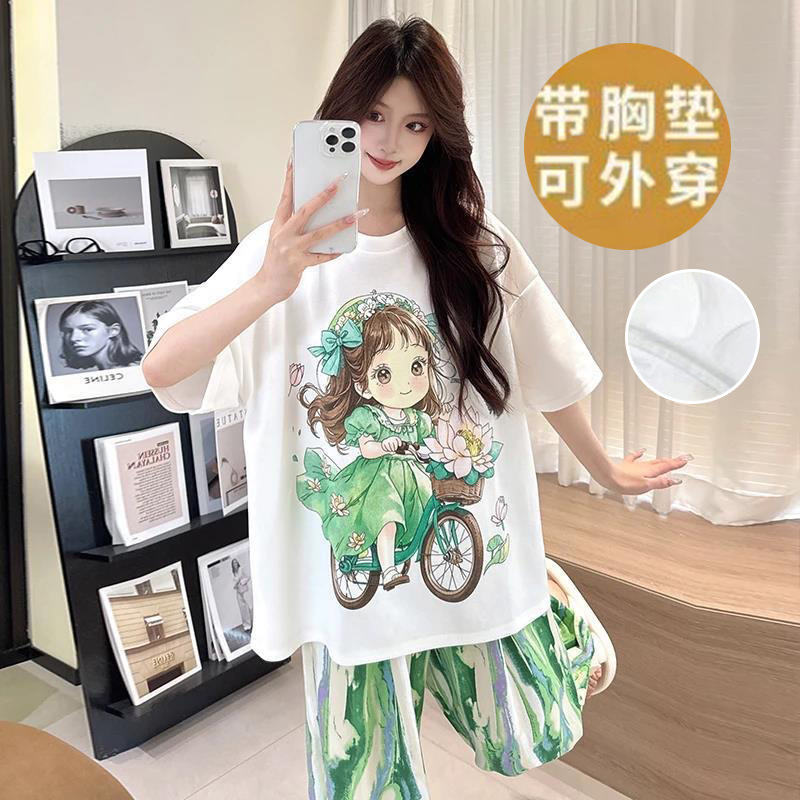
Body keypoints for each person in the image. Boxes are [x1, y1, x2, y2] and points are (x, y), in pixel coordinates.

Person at [141, 15, 690, 797]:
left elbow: (548, 370)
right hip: (343, 593)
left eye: (415, 123)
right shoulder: (282, 252)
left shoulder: (473, 244)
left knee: (530, 734)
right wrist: (269, 284)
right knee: (365, 783)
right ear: (341, 112)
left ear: (440, 134)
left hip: (470, 544)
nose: (388, 141)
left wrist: (605, 470)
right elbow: (164, 370)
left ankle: (550, 595)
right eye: (372, 115)